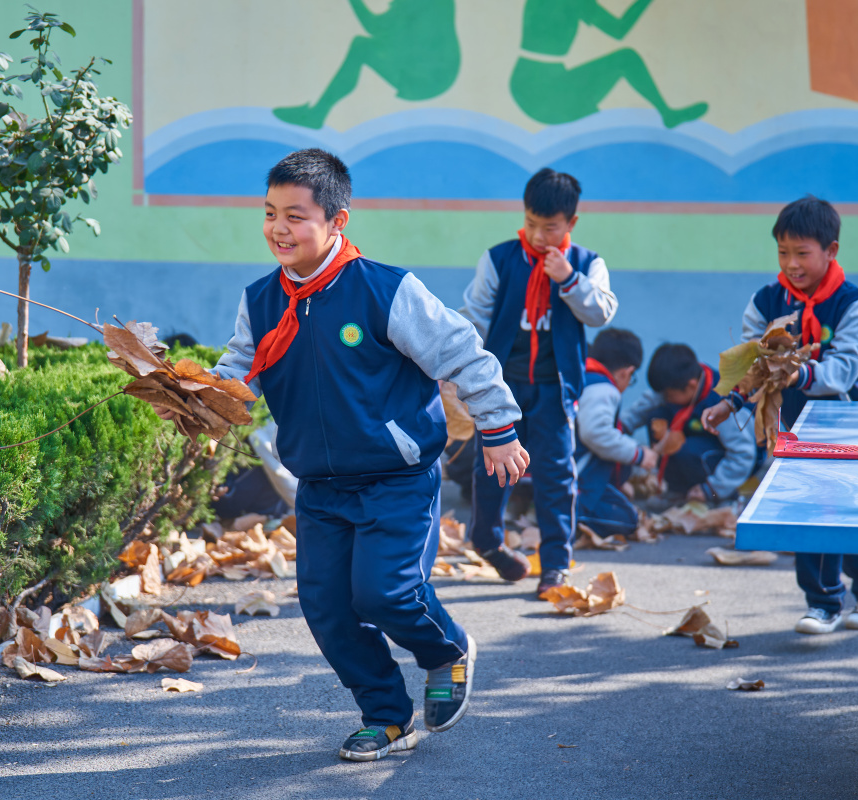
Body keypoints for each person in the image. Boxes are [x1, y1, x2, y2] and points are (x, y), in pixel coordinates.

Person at [211, 149, 528, 762]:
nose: (280, 228)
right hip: (322, 486)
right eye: (271, 212)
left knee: (385, 594)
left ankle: (447, 651)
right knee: (327, 609)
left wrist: (499, 427)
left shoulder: (386, 290)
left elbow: (462, 351)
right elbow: (237, 372)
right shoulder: (261, 300)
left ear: (338, 220)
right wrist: (197, 401)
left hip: (397, 479)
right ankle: (385, 715)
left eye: (296, 216)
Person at [702, 196, 858, 635]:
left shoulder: (855, 307)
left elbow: (842, 372)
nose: (791, 263)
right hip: (796, 425)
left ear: (832, 251)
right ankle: (852, 592)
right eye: (783, 253)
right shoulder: (765, 301)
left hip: (851, 423)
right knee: (813, 510)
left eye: (802, 253)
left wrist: (797, 370)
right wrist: (729, 401)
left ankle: (844, 595)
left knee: (833, 512)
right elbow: (752, 363)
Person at [460, 167, 618, 597]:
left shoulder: (587, 264)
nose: (538, 235)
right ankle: (488, 542)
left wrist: (567, 278)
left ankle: (554, 567)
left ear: (571, 224)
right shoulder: (499, 259)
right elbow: (474, 315)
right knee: (491, 470)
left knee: (555, 477)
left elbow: (601, 312)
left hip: (554, 390)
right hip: (501, 389)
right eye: (531, 224)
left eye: (550, 227)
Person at [510, 0, 708, 129]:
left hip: (527, 85)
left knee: (595, 120)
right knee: (626, 58)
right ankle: (667, 114)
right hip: (549, 92)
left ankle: (667, 114)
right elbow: (619, 29)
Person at [273, 0, 459, 130]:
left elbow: (375, 26)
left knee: (361, 47)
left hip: (425, 78)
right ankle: (317, 114)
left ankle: (317, 114)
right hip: (427, 71)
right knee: (363, 46)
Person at [620, 343, 759, 505]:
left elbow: (743, 454)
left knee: (684, 450)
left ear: (691, 385)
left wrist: (713, 488)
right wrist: (615, 432)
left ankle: (718, 495)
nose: (665, 397)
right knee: (656, 415)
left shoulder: (722, 404)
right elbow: (640, 410)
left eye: (669, 395)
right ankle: (675, 488)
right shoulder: (677, 382)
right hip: (698, 442)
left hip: (734, 460)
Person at [575, 328, 655, 537]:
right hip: (575, 481)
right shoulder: (603, 389)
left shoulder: (581, 376)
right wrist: (639, 454)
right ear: (626, 373)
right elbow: (596, 434)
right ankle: (568, 515)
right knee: (627, 520)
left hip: (551, 473)